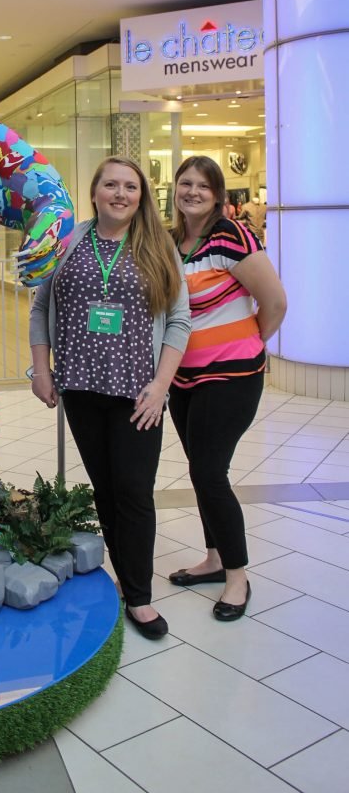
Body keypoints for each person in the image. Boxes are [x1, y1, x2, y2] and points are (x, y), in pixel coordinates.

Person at [29, 156, 191, 640]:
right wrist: (41, 369)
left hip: (138, 392)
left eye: (131, 187)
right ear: (95, 191)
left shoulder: (158, 245)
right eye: (111, 185)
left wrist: (161, 387)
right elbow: (41, 307)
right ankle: (126, 577)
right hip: (80, 388)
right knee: (105, 488)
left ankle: (140, 599)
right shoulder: (71, 241)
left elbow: (179, 320)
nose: (121, 194)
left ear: (141, 197)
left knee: (134, 492)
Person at [168, 156, 286, 620]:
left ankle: (237, 575)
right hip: (183, 378)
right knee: (201, 468)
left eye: (203, 185)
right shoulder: (173, 242)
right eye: (185, 183)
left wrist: (248, 343)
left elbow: (275, 301)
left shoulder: (232, 236)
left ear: (218, 195)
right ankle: (214, 559)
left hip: (232, 377)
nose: (192, 191)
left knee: (210, 472)